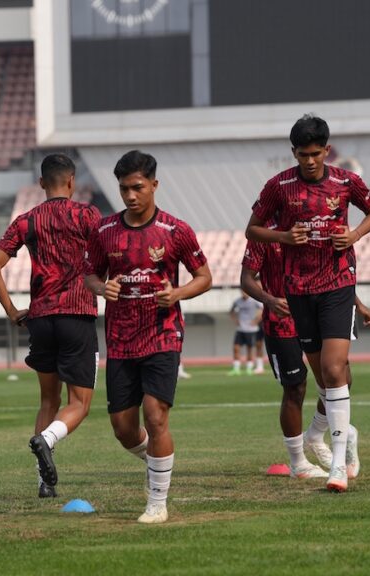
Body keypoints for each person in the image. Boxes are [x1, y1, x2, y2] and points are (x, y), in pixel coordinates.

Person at [246, 114, 370, 493]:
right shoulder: (278, 186)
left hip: (338, 283)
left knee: (336, 369)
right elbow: (252, 229)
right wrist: (284, 236)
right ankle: (317, 438)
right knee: (323, 379)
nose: (309, 160)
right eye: (302, 154)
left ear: (326, 150)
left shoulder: (345, 181)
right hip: (299, 290)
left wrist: (353, 234)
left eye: (315, 153)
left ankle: (338, 465)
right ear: (293, 153)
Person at [84, 150, 212, 524]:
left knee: (156, 418)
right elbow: (89, 273)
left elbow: (204, 277)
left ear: (154, 185)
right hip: (121, 340)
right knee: (124, 429)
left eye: (137, 187)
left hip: (163, 334)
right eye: (124, 189)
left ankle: (157, 502)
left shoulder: (176, 230)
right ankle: (157, 460)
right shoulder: (105, 230)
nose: (130, 196)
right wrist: (100, 287)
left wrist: (178, 294)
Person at [0, 153, 101, 499]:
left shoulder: (27, 220)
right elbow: (108, 255)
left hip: (40, 318)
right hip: (77, 314)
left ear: (41, 184)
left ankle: (44, 483)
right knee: (79, 403)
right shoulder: (88, 215)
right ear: (72, 181)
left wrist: (10, 310)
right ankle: (46, 439)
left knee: (47, 400)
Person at [241, 226, 370, 479]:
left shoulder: (317, 225)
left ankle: (316, 434)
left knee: (341, 377)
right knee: (295, 387)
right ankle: (298, 462)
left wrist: (358, 303)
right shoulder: (264, 234)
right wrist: (269, 300)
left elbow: (334, 275)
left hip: (325, 312)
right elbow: (246, 278)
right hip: (282, 320)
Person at [229, 290, 263, 376]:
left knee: (249, 349)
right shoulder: (237, 301)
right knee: (236, 348)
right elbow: (231, 311)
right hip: (240, 329)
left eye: (245, 292)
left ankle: (249, 368)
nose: (244, 293)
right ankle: (236, 369)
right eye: (242, 292)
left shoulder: (254, 300)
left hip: (251, 329)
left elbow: (262, 309)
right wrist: (235, 320)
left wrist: (256, 320)